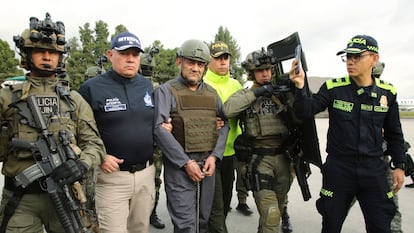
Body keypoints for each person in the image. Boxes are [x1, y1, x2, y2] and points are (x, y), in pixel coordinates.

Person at [289, 35, 406, 233]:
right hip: (340, 169)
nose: (350, 62)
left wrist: (400, 166)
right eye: (347, 57)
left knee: (381, 226)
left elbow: (395, 133)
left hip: (374, 169)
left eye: (356, 57)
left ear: (374, 59)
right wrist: (300, 87)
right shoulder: (334, 88)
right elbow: (304, 111)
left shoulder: (387, 92)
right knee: (331, 224)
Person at [0, 13, 105, 232]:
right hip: (21, 200)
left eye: (53, 53)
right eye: (40, 51)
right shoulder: (7, 97)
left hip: (66, 197)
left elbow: (95, 145)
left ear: (61, 57)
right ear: (27, 54)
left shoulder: (74, 100)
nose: (47, 57)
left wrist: (81, 164)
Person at [78, 31, 156, 233]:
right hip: (112, 176)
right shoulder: (91, 89)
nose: (130, 58)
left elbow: (158, 121)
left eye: (135, 54)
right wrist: (100, 157)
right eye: (124, 53)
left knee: (140, 229)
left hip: (146, 174)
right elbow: (76, 131)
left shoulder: (148, 86)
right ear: (110, 55)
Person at [153, 39, 229, 233]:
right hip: (180, 168)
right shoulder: (166, 91)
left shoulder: (212, 94)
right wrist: (186, 163)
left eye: (200, 64)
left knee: (203, 222)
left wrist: (215, 156)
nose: (195, 68)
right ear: (180, 62)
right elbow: (159, 129)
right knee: (186, 225)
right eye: (191, 62)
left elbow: (224, 124)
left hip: (207, 165)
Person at [223, 49, 296, 233]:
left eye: (268, 69)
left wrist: (296, 89)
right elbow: (227, 110)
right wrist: (258, 93)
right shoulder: (245, 95)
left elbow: (304, 115)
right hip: (259, 160)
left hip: (284, 160)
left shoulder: (282, 94)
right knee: (271, 213)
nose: (265, 74)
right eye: (260, 70)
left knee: (275, 214)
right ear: (252, 73)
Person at [204, 41, 243, 233]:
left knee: (225, 203)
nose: (222, 62)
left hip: (231, 154)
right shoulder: (203, 84)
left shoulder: (236, 84)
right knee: (216, 208)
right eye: (217, 58)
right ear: (209, 60)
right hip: (209, 154)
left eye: (225, 58)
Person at [139, 51, 165, 229]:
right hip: (137, 143)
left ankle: (151, 212)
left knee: (155, 181)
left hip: (155, 144)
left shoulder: (157, 89)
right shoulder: (135, 86)